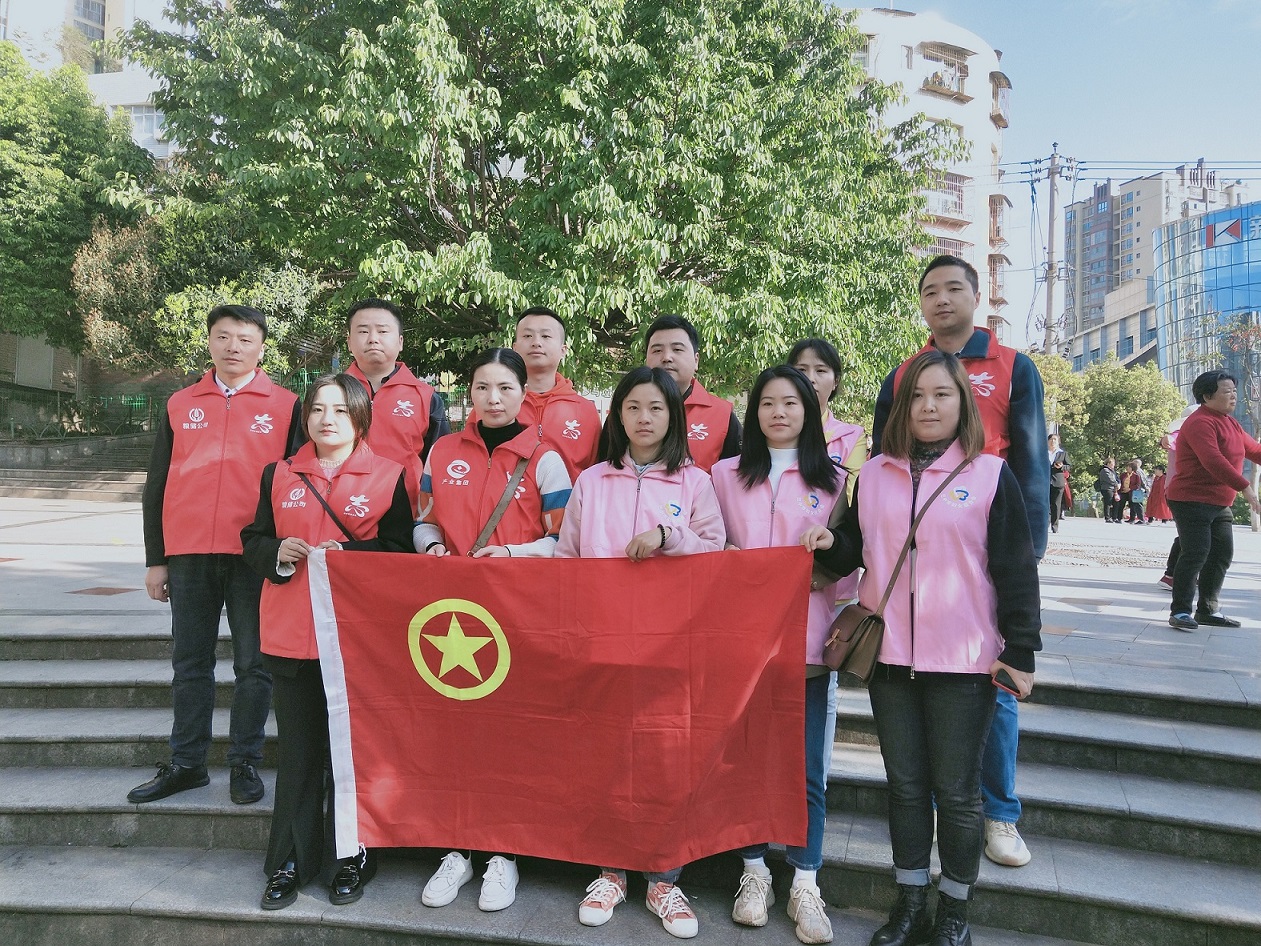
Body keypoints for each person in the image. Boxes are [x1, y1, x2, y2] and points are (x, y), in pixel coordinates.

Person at [804, 349, 1041, 946]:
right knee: (906, 789)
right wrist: (827, 542)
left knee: (957, 794)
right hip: (889, 658)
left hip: (964, 659)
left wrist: (1021, 648)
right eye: (916, 396)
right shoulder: (873, 475)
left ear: (963, 404)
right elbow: (853, 551)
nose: (928, 406)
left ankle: (954, 912)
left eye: (942, 394)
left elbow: (1015, 568)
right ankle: (909, 902)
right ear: (900, 407)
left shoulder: (990, 475)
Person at [871, 255, 1048, 870]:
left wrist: (1027, 548)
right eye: (930, 291)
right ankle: (931, 830)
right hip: (916, 567)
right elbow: (884, 461)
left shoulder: (1013, 365)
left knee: (994, 694)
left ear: (977, 295)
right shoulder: (903, 372)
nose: (941, 299)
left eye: (953, 288)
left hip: (984, 538)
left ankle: (999, 812)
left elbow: (1031, 455)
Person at [556, 366, 725, 939]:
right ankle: (610, 872)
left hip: (669, 645)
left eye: (656, 407)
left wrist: (669, 537)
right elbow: (568, 560)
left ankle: (663, 879)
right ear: (618, 416)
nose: (644, 418)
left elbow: (716, 553)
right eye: (633, 407)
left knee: (664, 760)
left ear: (673, 416)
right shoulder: (592, 481)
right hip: (602, 643)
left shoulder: (695, 483)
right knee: (605, 756)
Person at [241, 373, 414, 910]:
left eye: (340, 410)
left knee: (352, 755)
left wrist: (349, 556)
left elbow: (400, 551)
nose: (327, 419)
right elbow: (252, 539)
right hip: (290, 635)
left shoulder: (389, 476)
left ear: (360, 418)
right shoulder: (279, 473)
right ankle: (290, 860)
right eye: (317, 409)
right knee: (298, 754)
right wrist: (276, 551)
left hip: (358, 643)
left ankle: (351, 858)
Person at [412, 348, 573, 912]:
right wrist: (432, 548)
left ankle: (504, 855)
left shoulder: (545, 458)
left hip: (520, 615)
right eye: (483, 387)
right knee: (453, 730)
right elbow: (423, 520)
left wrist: (510, 555)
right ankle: (457, 849)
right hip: (454, 617)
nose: (494, 398)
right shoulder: (442, 451)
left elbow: (564, 541)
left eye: (505, 387)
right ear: (470, 391)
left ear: (523, 393)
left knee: (510, 732)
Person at [132, 305, 302, 807]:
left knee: (254, 665)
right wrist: (156, 558)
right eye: (223, 336)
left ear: (262, 348)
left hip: (254, 554)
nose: (233, 347)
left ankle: (244, 761)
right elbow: (157, 483)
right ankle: (187, 763)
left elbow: (297, 482)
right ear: (209, 341)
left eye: (245, 339)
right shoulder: (180, 403)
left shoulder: (287, 405)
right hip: (188, 554)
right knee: (190, 663)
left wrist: (284, 552)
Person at [711, 365, 841, 945]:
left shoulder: (835, 481)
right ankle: (755, 872)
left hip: (805, 644)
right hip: (738, 643)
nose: (779, 412)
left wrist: (823, 557)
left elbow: (848, 567)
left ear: (809, 410)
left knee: (806, 766)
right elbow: (707, 545)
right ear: (754, 411)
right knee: (746, 762)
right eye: (767, 402)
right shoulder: (723, 475)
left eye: (791, 402)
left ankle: (805, 880)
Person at [787, 338, 865, 785]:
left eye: (821, 370)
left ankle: (818, 775)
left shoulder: (851, 438)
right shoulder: (777, 429)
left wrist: (828, 569)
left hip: (829, 579)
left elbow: (853, 512)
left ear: (835, 380)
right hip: (777, 581)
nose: (811, 378)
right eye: (802, 369)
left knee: (823, 677)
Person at [1165, 370, 1261, 631]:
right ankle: (1180, 611)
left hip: (1219, 502)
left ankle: (1207, 609)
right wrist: (1245, 487)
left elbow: (1254, 450)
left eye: (1234, 390)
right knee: (1196, 552)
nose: (1233, 396)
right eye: (1226, 391)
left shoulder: (1230, 423)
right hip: (1191, 499)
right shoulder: (1199, 422)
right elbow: (1212, 460)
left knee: (1221, 554)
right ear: (1207, 396)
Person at [344, 298, 450, 507]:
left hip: (406, 512)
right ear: (349, 342)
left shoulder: (426, 397)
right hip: (340, 508)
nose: (373, 339)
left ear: (400, 341)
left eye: (383, 331)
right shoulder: (330, 393)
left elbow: (439, 463)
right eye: (363, 331)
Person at [511, 306, 603, 479]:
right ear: (515, 348)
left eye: (546, 336)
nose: (536, 342)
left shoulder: (585, 410)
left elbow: (596, 472)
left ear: (563, 350)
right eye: (527, 336)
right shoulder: (495, 404)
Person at [643, 314, 741, 472]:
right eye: (657, 350)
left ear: (696, 360)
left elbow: (736, 477)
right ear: (646, 360)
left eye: (677, 349)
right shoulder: (628, 409)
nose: (666, 357)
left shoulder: (722, 415)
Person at [1048, 434, 1070, 532]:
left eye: (1055, 440)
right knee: (1045, 503)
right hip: (1045, 480)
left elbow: (1069, 466)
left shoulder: (1062, 453)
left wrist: (1062, 467)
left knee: (1056, 505)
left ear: (1058, 442)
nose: (1053, 441)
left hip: (1058, 481)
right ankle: (1045, 524)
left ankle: (1055, 526)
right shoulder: (1043, 452)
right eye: (1051, 439)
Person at [1095, 458, 1122, 523]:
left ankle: (1114, 517)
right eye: (1112, 464)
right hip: (1107, 488)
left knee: (1116, 503)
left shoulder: (1112, 471)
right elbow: (1110, 479)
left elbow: (1117, 478)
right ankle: (1107, 517)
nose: (1113, 465)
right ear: (1108, 463)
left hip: (1114, 489)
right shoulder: (1104, 470)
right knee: (1108, 503)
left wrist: (1119, 483)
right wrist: (1116, 484)